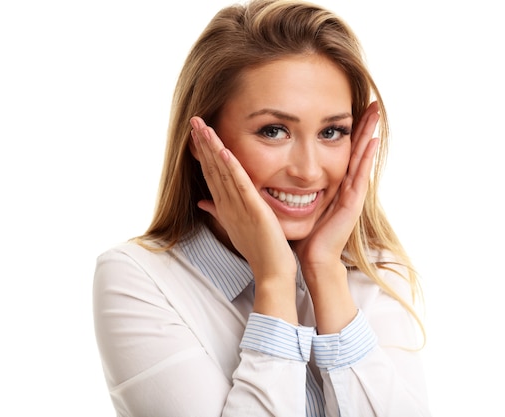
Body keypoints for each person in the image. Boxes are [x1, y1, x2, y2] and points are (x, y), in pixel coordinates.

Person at [93, 0, 431, 415]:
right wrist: (274, 280)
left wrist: (325, 272)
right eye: (274, 131)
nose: (308, 172)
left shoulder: (376, 270)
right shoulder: (138, 279)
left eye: (332, 131)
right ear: (203, 142)